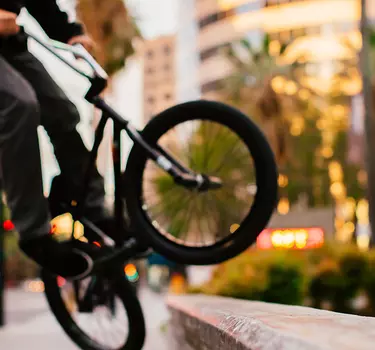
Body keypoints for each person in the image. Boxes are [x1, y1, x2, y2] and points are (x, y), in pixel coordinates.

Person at [0, 3, 120, 279]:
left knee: (62, 111)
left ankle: (92, 209)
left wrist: (70, 33)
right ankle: (33, 235)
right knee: (20, 105)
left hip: (10, 44)